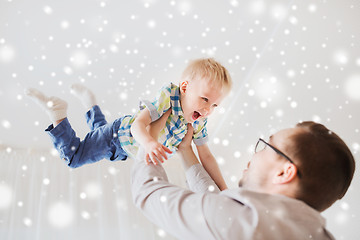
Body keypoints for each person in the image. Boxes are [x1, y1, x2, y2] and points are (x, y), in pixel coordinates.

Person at [131, 112, 355, 240]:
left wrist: (149, 137)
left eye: (267, 146)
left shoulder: (246, 224)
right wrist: (187, 152)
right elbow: (219, 206)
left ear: (284, 172)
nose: (254, 155)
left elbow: (148, 193)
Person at [26, 58, 232, 190]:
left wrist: (224, 189)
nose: (208, 110)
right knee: (73, 158)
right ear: (185, 87)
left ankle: (91, 103)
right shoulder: (170, 96)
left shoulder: (198, 123)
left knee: (98, 133)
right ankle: (57, 112)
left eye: (215, 105)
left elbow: (206, 156)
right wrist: (149, 143)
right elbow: (138, 125)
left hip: (124, 151)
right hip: (118, 135)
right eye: (205, 99)